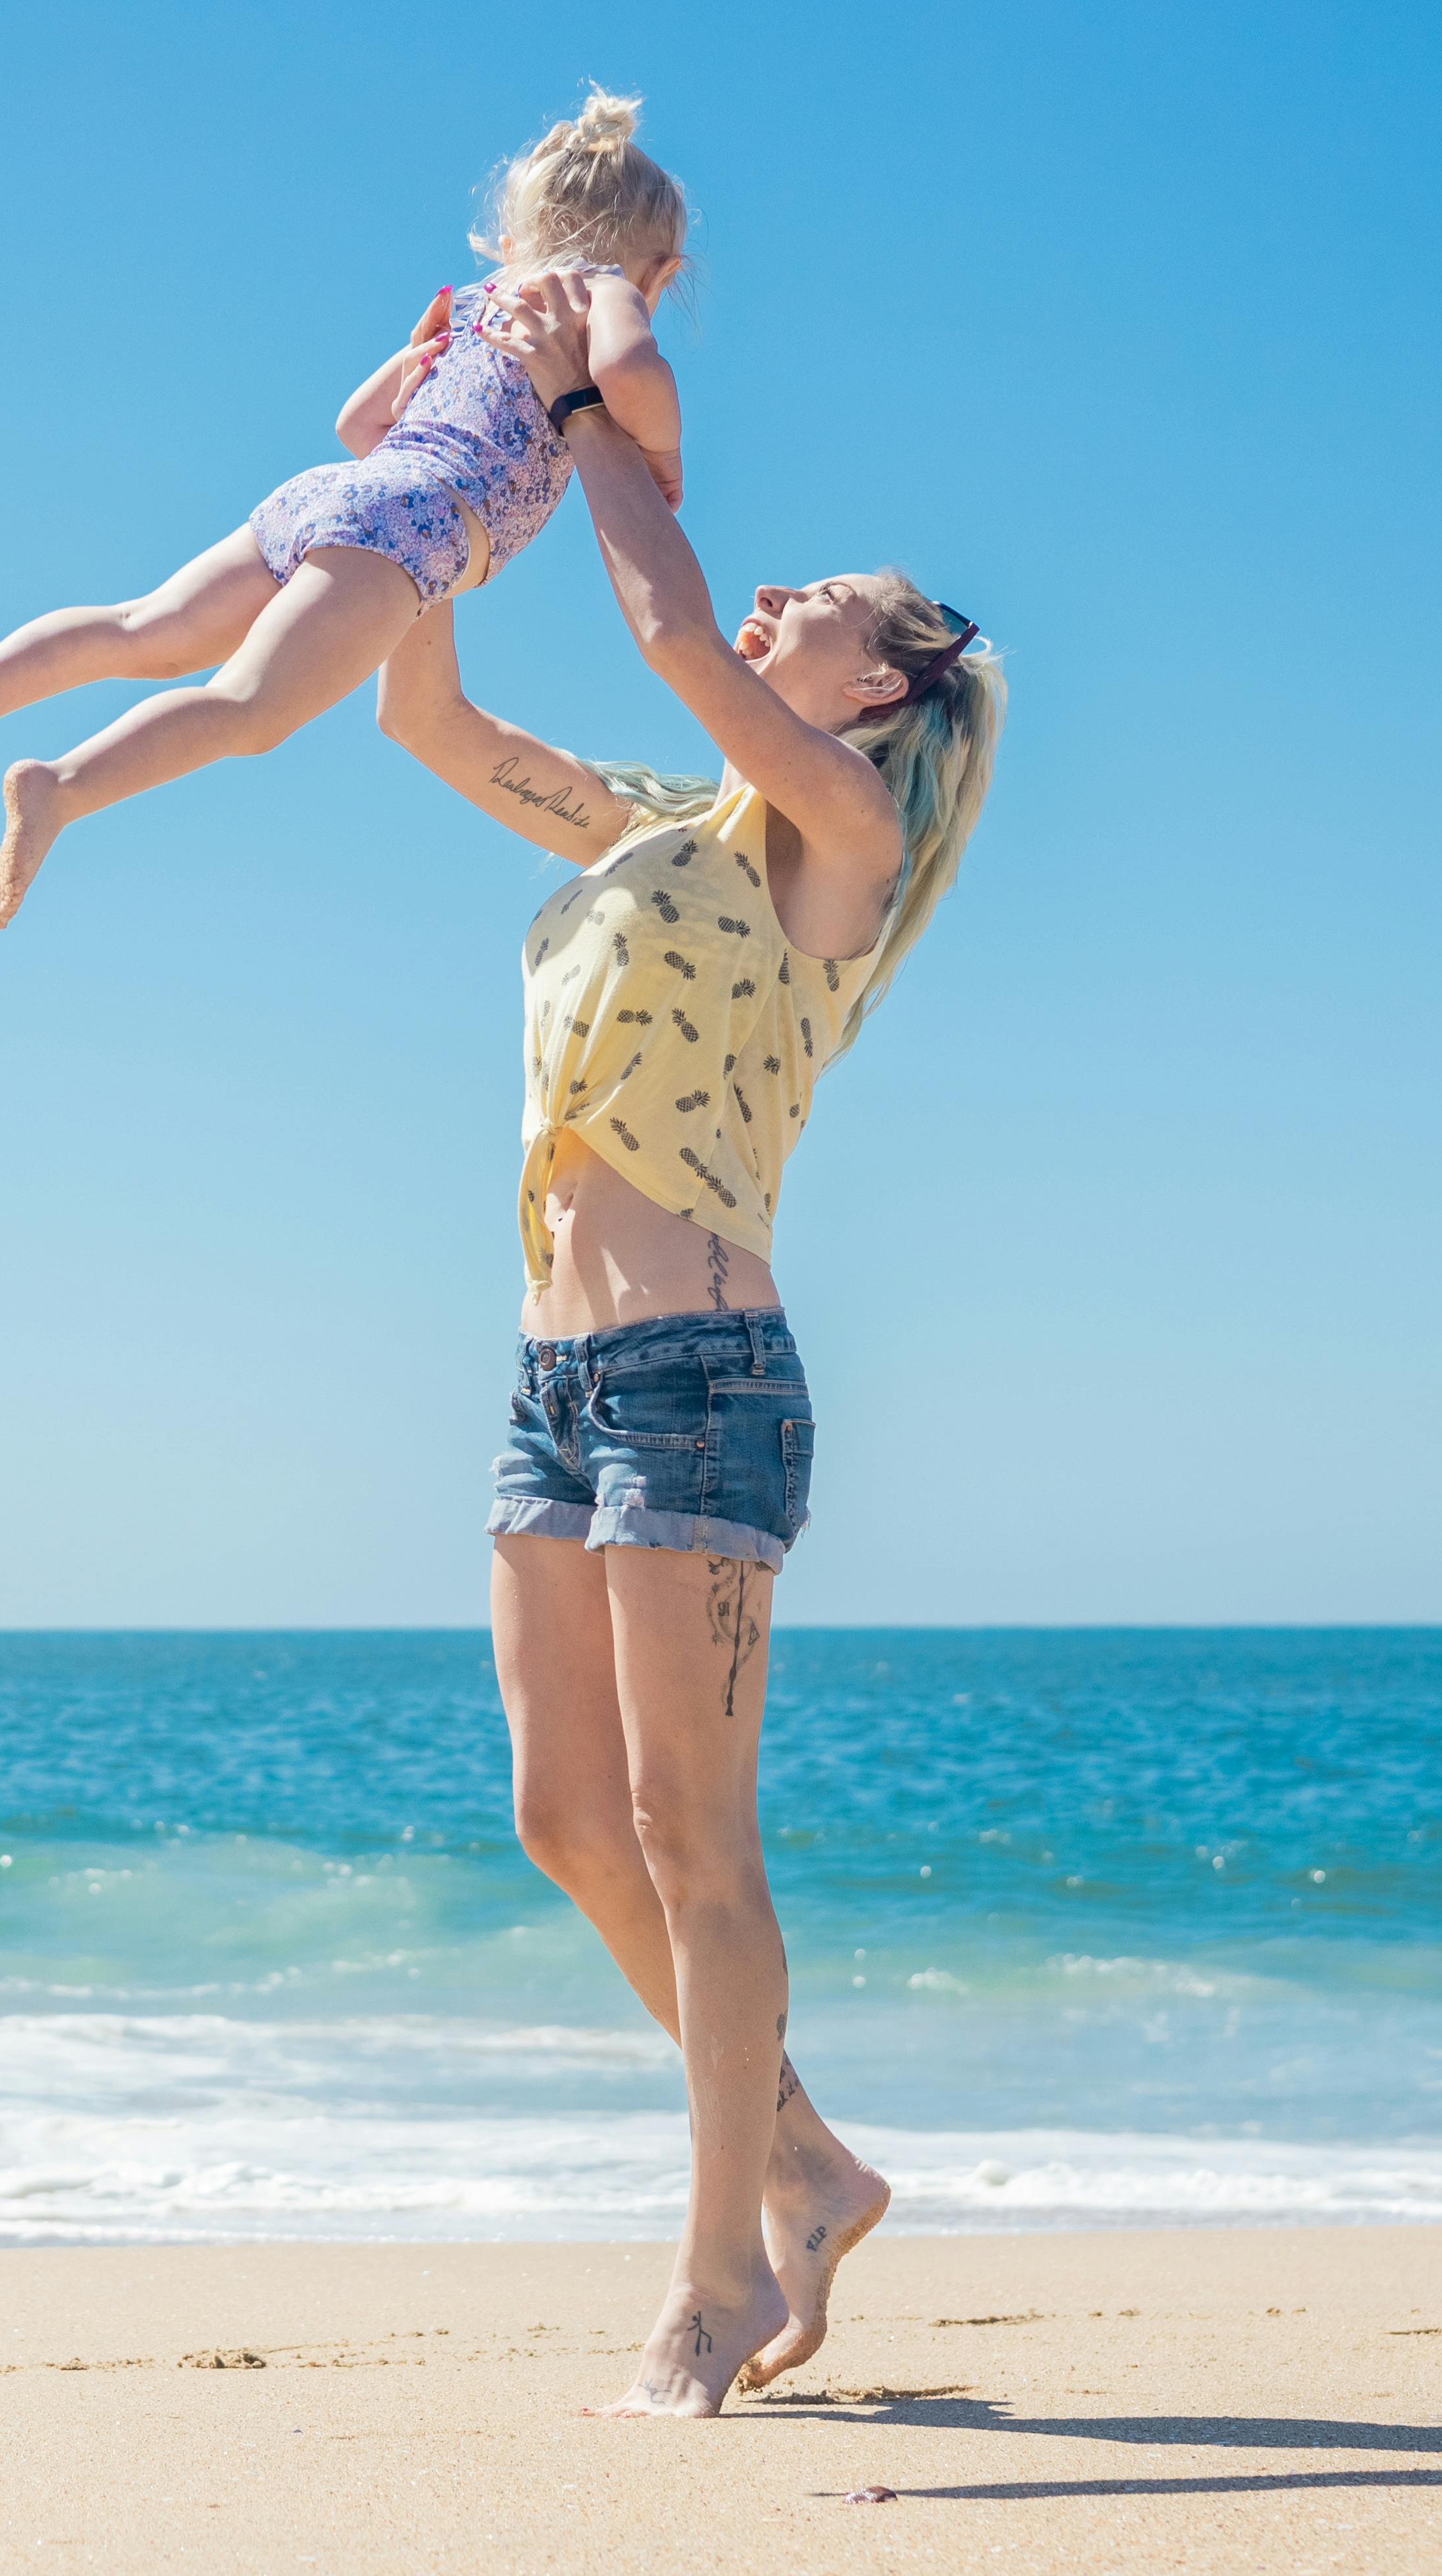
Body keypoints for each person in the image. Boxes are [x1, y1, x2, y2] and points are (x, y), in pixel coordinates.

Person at [373, 267, 1005, 2415]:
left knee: (693, 1844)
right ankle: (811, 2167)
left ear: (890, 681)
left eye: (828, 594)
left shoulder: (843, 839)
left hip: (699, 1389)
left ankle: (717, 2283)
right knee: (567, 1821)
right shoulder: (667, 827)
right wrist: (426, 477)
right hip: (553, 1385)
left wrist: (577, 412)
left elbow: (662, 614)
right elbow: (428, 726)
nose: (779, 597)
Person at [0, 89, 691, 925]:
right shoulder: (598, 293)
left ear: (511, 237)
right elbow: (631, 374)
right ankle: (60, 788)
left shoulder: (473, 307)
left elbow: (358, 424)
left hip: (331, 492)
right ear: (658, 273)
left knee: (141, 628)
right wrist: (660, 455)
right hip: (413, 525)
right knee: (248, 707)